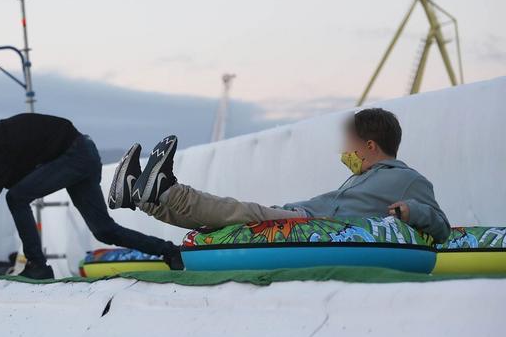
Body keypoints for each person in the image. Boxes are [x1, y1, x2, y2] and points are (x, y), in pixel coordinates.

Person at [108, 108, 451, 243]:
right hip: (305, 216)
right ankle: (144, 198)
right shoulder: (362, 177)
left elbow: (441, 225)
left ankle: (164, 191)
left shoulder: (408, 180)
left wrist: (411, 211)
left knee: (241, 212)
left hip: (315, 225)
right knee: (227, 219)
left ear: (370, 145)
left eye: (350, 143)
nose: (344, 149)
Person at [0, 113, 183, 280]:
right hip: (77, 153)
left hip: (76, 155)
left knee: (16, 197)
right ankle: (170, 251)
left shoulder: (1, 147)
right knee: (104, 230)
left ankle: (38, 266)